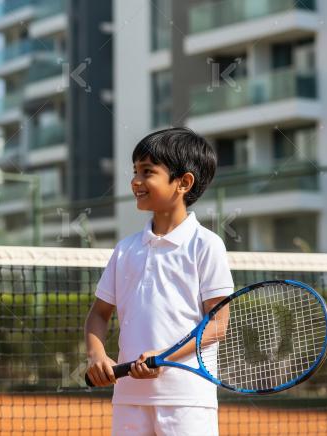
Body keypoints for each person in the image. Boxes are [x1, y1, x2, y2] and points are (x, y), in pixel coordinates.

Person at [85, 127, 234, 435]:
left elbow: (218, 323)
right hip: (128, 400)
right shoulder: (125, 249)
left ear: (183, 182)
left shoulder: (206, 245)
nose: (136, 181)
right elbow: (98, 315)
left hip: (187, 400)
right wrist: (97, 356)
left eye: (148, 172)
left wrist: (164, 357)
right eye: (135, 171)